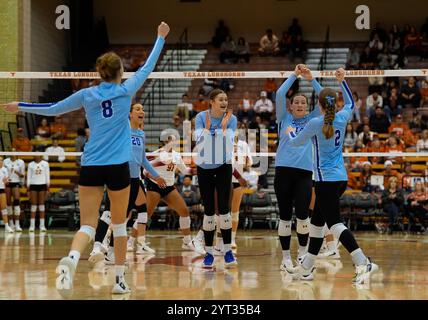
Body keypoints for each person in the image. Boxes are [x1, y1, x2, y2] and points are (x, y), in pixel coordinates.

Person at [2, 21, 170, 296]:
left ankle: (71, 259)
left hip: (91, 165)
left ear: (99, 73)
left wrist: (20, 105)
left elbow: (53, 109)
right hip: (117, 168)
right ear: (120, 72)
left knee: (88, 225)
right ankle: (118, 281)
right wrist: (160, 38)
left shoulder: (86, 94)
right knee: (118, 224)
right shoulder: (126, 90)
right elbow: (148, 67)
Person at [284, 68, 378, 284]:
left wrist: (289, 129)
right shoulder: (342, 117)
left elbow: (295, 141)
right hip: (339, 179)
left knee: (335, 225)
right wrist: (342, 81)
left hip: (325, 181)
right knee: (317, 224)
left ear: (318, 104)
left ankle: (363, 261)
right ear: (333, 104)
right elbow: (350, 104)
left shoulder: (315, 123)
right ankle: (306, 268)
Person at [89, 103, 167, 265]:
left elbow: (143, 159)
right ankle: (96, 247)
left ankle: (111, 254)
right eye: (138, 109)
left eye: (143, 109)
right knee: (109, 213)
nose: (142, 111)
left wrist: (156, 175)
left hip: (133, 179)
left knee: (122, 218)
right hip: (117, 175)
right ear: (129, 114)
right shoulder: (121, 130)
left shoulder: (141, 134)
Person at [274, 64, 323, 271]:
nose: (301, 105)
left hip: (304, 174)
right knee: (285, 216)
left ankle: (303, 254)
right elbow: (280, 93)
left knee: (303, 215)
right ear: (291, 106)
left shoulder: (313, 119)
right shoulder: (283, 118)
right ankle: (286, 258)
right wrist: (294, 75)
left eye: (304, 102)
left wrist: (312, 79)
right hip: (283, 172)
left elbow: (327, 102)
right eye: (297, 102)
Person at [194, 89, 238, 268]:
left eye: (226, 100)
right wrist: (221, 130)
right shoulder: (200, 116)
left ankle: (227, 251)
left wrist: (213, 131)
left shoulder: (232, 119)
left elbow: (228, 142)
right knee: (209, 211)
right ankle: (209, 253)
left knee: (225, 209)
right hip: (204, 167)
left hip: (223, 166)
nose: (224, 102)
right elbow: (200, 140)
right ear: (211, 102)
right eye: (221, 99)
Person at [141, 136, 204, 254]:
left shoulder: (176, 155)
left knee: (184, 211)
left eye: (175, 141)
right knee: (146, 215)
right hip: (155, 186)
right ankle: (137, 242)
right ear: (165, 142)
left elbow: (185, 171)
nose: (173, 143)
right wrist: (156, 178)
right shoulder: (158, 154)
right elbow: (145, 171)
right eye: (170, 141)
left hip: (169, 187)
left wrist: (197, 169)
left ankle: (186, 242)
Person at [230, 133, 252, 248]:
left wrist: (246, 162)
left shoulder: (243, 145)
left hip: (237, 181)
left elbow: (250, 162)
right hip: (223, 180)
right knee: (220, 212)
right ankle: (220, 238)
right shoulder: (222, 143)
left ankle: (232, 238)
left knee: (235, 212)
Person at [27, 155, 50, 232]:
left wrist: (48, 188)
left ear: (41, 155)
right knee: (33, 206)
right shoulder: (30, 164)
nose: (37, 156)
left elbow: (47, 176)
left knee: (41, 206)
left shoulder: (45, 164)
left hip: (42, 185)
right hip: (33, 185)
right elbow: (28, 177)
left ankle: (42, 226)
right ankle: (32, 226)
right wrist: (28, 189)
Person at [3, 150, 25, 231]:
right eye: (11, 152)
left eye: (14, 152)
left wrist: (17, 172)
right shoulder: (5, 161)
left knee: (16, 201)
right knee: (8, 203)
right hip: (8, 183)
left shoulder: (21, 162)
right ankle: (11, 223)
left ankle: (17, 224)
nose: (13, 153)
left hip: (16, 182)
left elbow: (22, 175)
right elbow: (3, 172)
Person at [0, 157, 14, 233]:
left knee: (4, 208)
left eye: (1, 160)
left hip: (1, 189)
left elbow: (7, 182)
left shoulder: (4, 169)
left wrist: (6, 181)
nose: (0, 161)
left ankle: (6, 226)